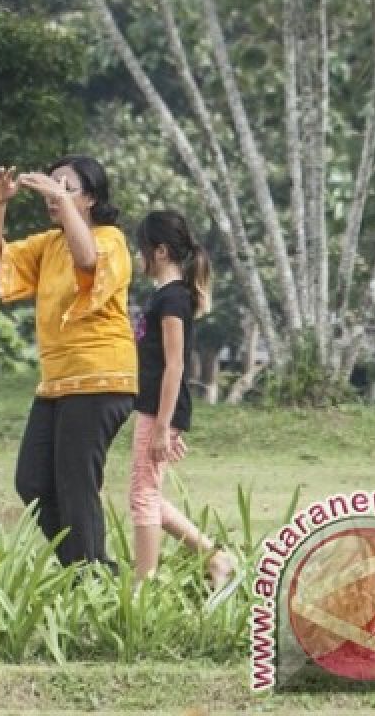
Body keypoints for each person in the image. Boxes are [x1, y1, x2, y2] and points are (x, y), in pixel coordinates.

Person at [0, 157, 136, 571]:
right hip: (57, 384)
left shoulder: (110, 239)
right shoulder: (48, 245)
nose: (55, 195)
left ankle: (90, 577)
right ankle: (87, 569)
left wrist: (58, 199)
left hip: (101, 380)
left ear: (91, 199)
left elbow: (88, 262)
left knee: (76, 486)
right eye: (53, 185)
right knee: (31, 481)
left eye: (68, 188)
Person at [130, 210, 237, 598]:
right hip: (154, 408)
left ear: (159, 252)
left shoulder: (173, 299)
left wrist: (163, 425)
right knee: (148, 494)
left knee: (142, 496)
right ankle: (213, 557)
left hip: (160, 409)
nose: (138, 258)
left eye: (141, 250)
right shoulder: (164, 297)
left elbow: (176, 366)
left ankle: (143, 588)